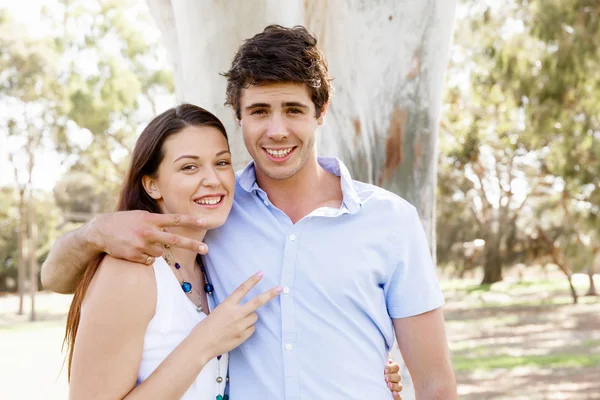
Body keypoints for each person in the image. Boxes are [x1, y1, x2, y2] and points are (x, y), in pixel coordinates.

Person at [43, 25, 455, 398]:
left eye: (293, 109)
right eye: (259, 111)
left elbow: (436, 382)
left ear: (321, 113)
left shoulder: (391, 221)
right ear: (238, 115)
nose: (277, 130)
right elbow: (58, 279)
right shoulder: (212, 215)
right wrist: (93, 232)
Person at [60, 104, 404, 399]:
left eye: (222, 162)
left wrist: (364, 369)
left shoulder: (211, 265)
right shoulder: (132, 273)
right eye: (189, 167)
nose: (213, 179)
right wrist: (204, 343)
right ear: (152, 184)